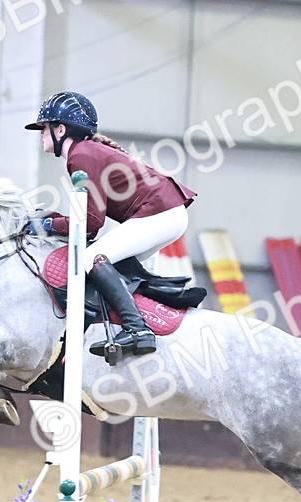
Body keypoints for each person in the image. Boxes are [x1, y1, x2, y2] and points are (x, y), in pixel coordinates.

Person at [24, 91, 197, 360]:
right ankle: (130, 325)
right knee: (114, 267)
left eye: (44, 128)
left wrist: (48, 226)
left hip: (160, 213)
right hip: (165, 213)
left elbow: (91, 224)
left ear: (61, 129)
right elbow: (88, 218)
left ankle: (137, 329)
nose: (41, 134)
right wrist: (52, 219)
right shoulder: (86, 152)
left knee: (92, 258)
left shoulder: (80, 156)